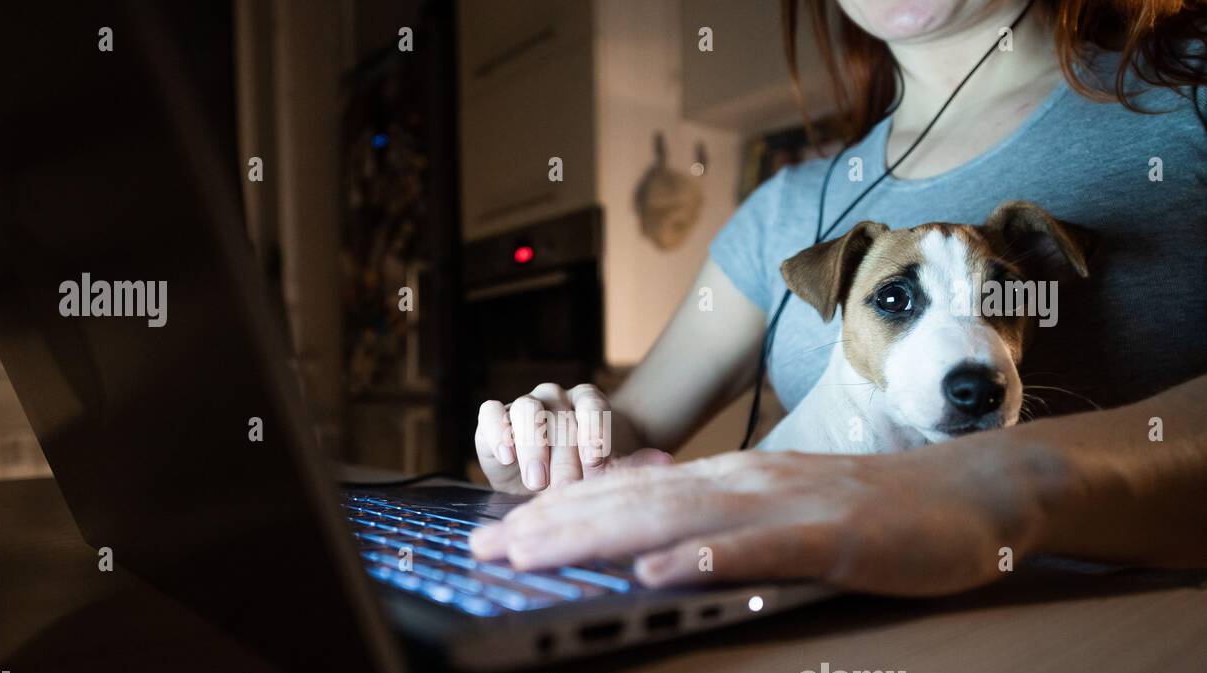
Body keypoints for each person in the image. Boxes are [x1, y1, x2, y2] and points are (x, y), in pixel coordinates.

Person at [470, 0, 1207, 596]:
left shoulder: (1186, 99)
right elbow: (627, 425)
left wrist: (1000, 486)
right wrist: (555, 446)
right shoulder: (789, 207)